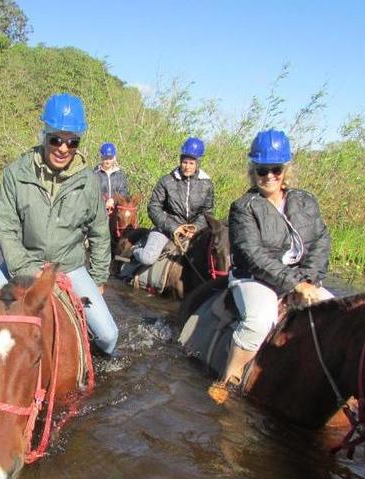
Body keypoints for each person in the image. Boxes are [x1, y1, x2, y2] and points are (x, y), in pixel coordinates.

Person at [0, 93, 118, 355]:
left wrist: (99, 278)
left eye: (72, 142)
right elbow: (7, 229)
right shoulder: (15, 174)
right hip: (23, 263)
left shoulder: (89, 182)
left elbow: (100, 233)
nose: (63, 148)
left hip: (69, 268)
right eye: (56, 139)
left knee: (108, 335)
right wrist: (27, 269)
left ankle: (91, 369)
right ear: (44, 135)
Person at [223, 129, 333, 384]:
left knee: (337, 318)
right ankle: (229, 378)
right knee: (259, 321)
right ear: (253, 171)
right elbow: (252, 254)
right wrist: (294, 284)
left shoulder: (306, 201)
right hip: (254, 279)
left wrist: (308, 281)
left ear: (285, 170)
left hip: (301, 278)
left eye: (276, 169)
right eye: (263, 170)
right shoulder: (244, 207)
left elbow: (320, 241)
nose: (269, 176)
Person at [132, 137, 215, 266]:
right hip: (166, 229)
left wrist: (194, 228)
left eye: (191, 163)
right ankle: (135, 250)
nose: (187, 167)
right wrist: (175, 227)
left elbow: (207, 212)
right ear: (180, 161)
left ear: (197, 163)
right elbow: (154, 207)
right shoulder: (166, 181)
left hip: (193, 232)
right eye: (185, 162)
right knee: (147, 258)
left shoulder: (207, 184)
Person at [93, 142, 129, 214]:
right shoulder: (95, 174)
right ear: (101, 157)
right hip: (99, 211)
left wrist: (113, 200)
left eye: (110, 158)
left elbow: (124, 192)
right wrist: (104, 203)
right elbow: (92, 194)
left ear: (114, 158)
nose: (108, 161)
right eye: (105, 158)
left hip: (117, 211)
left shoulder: (120, 174)